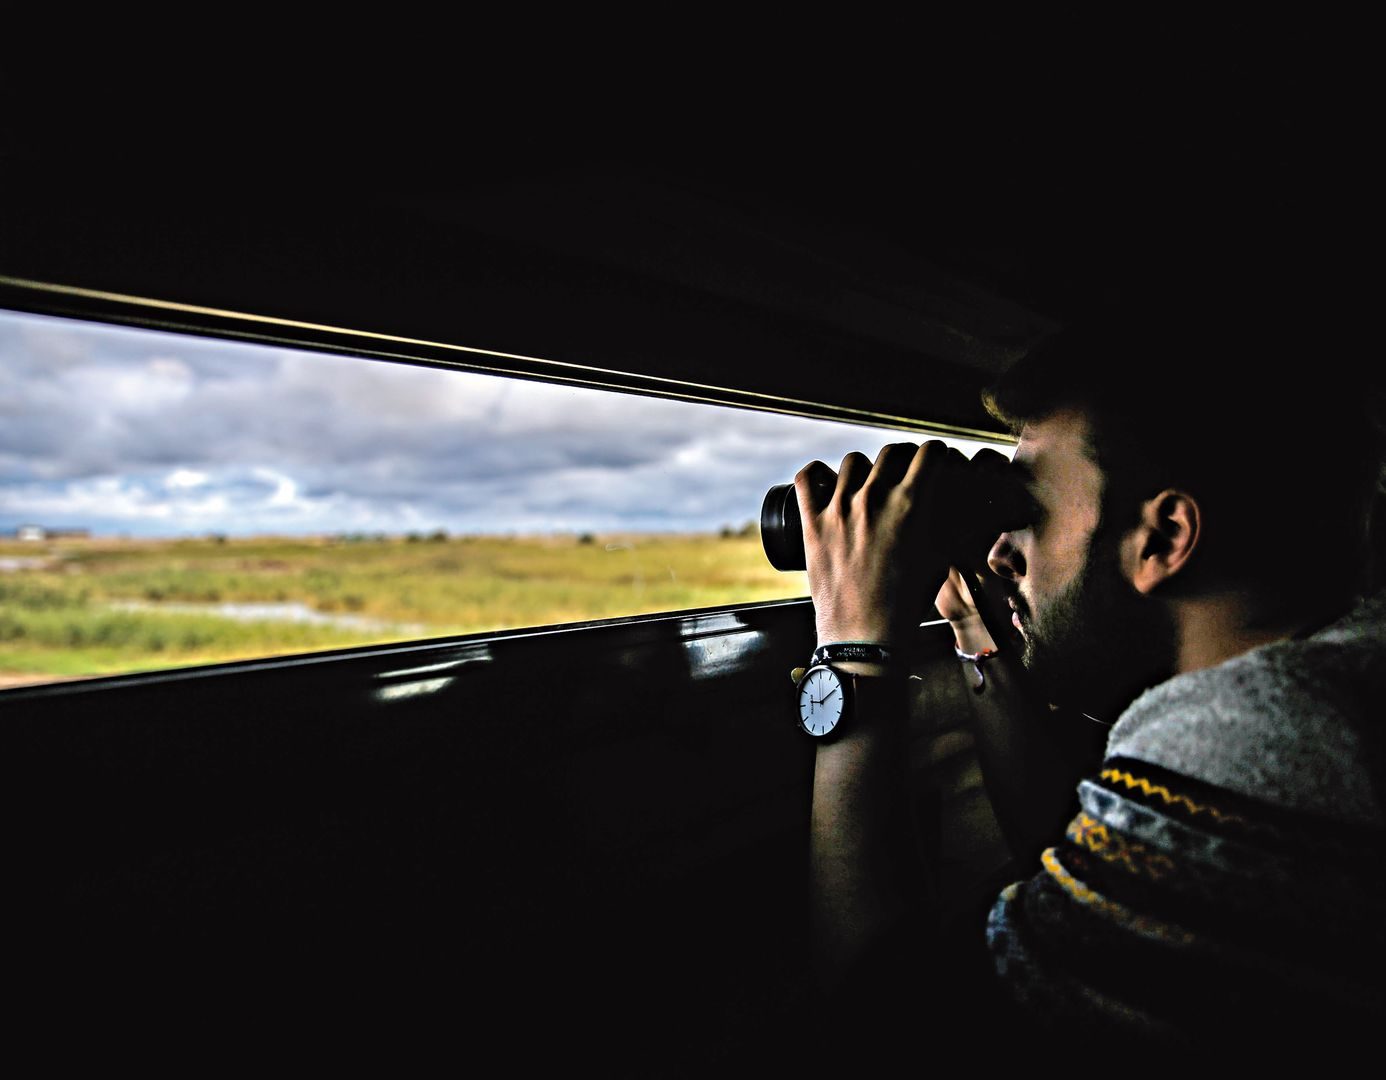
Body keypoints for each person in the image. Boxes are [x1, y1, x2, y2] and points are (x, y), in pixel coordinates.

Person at [795, 314, 1385, 1056]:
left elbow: (883, 1032)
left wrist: (852, 648)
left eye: (1026, 512)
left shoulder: (1261, 741)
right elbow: (1065, 849)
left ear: (1164, 538)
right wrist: (977, 625)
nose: (1002, 552)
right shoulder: (1332, 684)